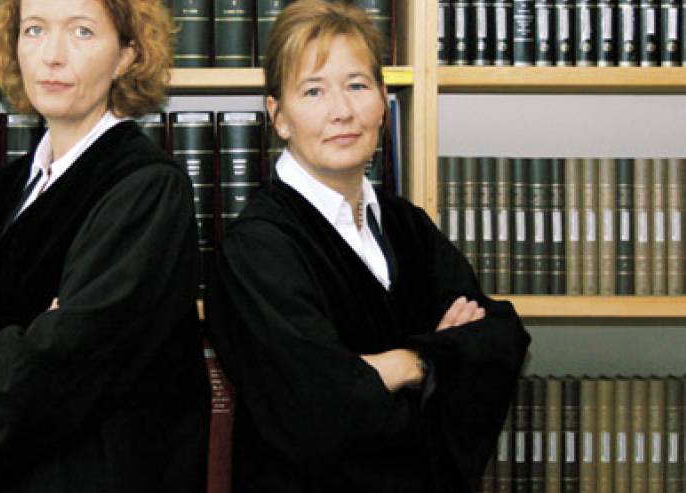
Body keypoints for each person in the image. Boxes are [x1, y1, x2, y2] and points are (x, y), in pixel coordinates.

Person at [206, 1, 531, 491]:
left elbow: (499, 341)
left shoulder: (406, 226)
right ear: (279, 116)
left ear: (382, 100)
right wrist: (436, 360)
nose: (342, 111)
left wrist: (401, 367)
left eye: (357, 85)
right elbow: (314, 408)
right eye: (313, 90)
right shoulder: (256, 247)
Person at [0, 0, 208, 491]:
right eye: (34, 30)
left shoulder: (148, 189)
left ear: (126, 55)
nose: (52, 56)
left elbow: (61, 371)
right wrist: (14, 344)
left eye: (81, 32)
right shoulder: (0, 193)